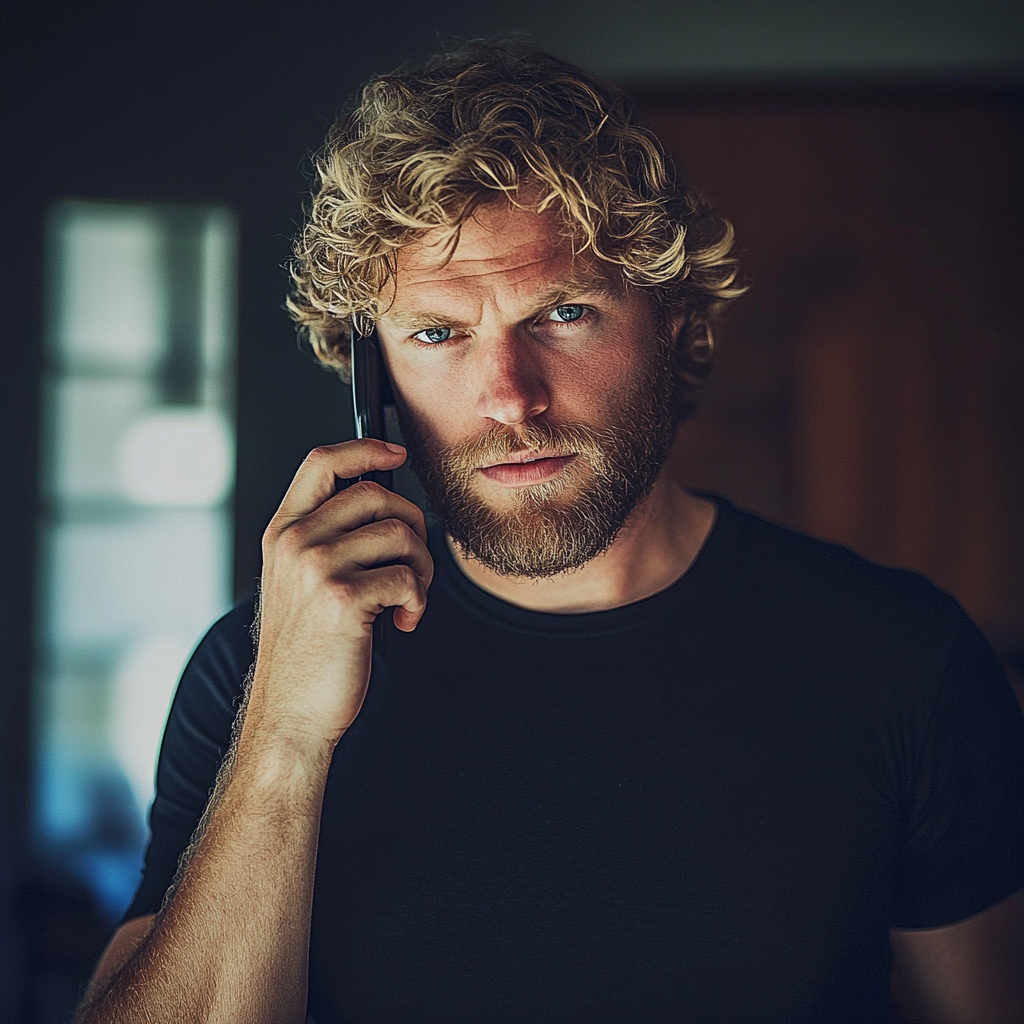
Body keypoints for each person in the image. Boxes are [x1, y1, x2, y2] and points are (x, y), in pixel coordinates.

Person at [77, 42, 1023, 1024]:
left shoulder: (903, 658)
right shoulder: (254, 672)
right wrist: (281, 737)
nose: (509, 400)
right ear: (372, 378)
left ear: (671, 319)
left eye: (563, 312)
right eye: (438, 333)